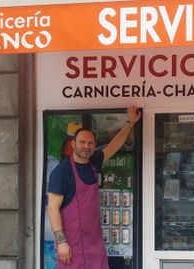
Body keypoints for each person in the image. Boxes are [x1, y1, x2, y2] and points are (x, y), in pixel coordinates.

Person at [47, 106, 141, 269]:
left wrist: (130, 123)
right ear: (74, 143)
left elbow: (113, 146)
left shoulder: (93, 162)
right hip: (72, 245)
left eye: (90, 143)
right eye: (82, 142)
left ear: (94, 145)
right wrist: (61, 242)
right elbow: (52, 208)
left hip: (94, 243)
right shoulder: (62, 171)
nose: (86, 146)